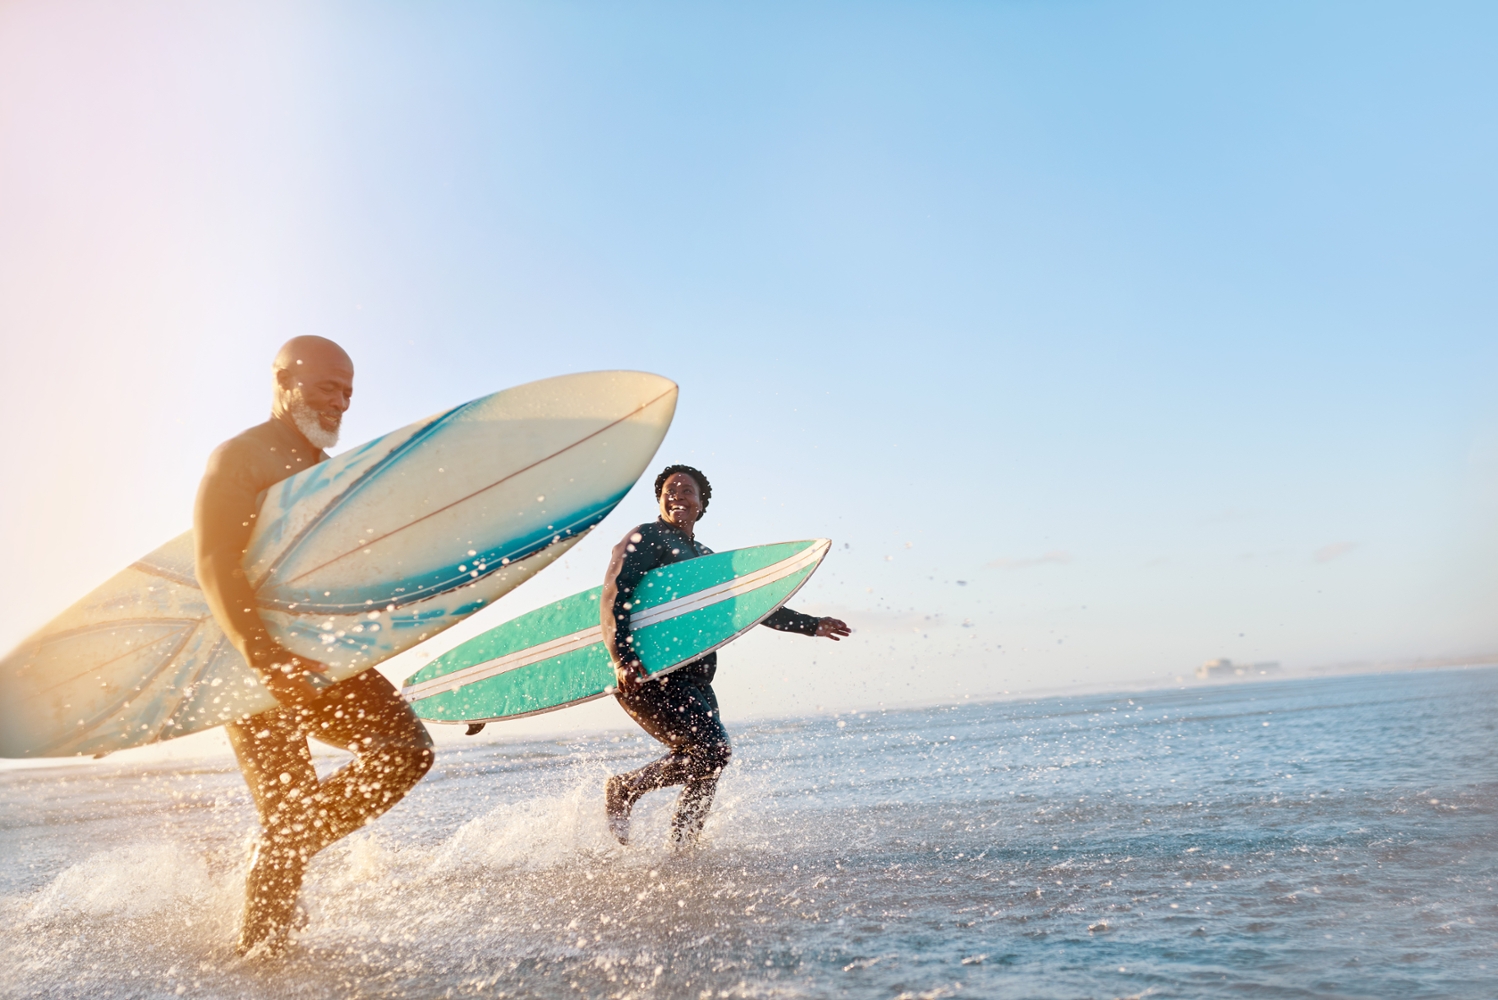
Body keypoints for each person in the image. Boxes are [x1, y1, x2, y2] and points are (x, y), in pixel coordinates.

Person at [194, 336, 434, 957]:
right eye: (329, 386)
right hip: (253, 666)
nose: (342, 402)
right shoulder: (241, 457)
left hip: (324, 655)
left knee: (405, 750)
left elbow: (343, 587)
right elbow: (215, 561)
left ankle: (278, 851)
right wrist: (260, 655)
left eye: (349, 391)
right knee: (289, 810)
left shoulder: (327, 472)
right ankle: (260, 963)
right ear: (284, 377)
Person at [601, 464, 850, 848]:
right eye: (670, 489)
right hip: (649, 674)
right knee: (713, 751)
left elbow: (752, 606)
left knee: (707, 768)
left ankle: (683, 849)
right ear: (660, 500)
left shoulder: (705, 557)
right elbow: (615, 595)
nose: (677, 495)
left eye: (687, 491)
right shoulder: (645, 537)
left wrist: (810, 625)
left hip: (695, 680)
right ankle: (625, 789)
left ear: (702, 504)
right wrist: (622, 657)